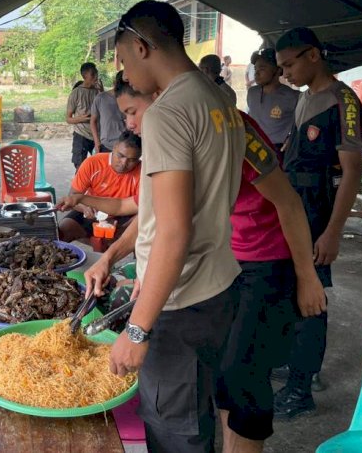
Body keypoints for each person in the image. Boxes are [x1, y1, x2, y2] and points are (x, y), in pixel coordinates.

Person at [74, 78, 326, 452]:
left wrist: (307, 276)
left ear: (160, 97)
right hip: (222, 262)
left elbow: (288, 203)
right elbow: (153, 216)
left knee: (243, 382)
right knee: (223, 379)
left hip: (263, 259)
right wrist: (111, 257)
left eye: (131, 112)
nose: (127, 124)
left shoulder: (229, 127)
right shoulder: (164, 140)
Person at [101, 0, 245, 452]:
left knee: (175, 432)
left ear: (142, 46)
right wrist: (115, 254)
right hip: (219, 288)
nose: (124, 72)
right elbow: (176, 209)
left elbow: (174, 231)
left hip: (179, 304)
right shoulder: (218, 98)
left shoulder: (168, 114)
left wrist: (138, 329)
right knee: (198, 414)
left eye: (123, 59)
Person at [273, 27, 362, 420]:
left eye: (289, 64)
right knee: (291, 290)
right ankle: (295, 365)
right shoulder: (306, 98)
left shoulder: (343, 101)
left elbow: (352, 172)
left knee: (312, 299)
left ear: (313, 55)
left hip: (318, 210)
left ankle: (300, 390)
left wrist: (333, 231)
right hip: (294, 206)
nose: (285, 73)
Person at [58, 130, 141, 242]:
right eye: (120, 156)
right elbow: (73, 196)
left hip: (124, 216)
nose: (124, 163)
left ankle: (136, 258)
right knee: (62, 232)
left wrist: (123, 230)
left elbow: (142, 211)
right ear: (114, 147)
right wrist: (85, 208)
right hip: (93, 212)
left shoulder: (143, 172)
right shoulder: (93, 162)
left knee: (142, 235)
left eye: (132, 160)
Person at [246, 48, 299, 152]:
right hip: (253, 148)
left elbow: (301, 125)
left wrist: (291, 139)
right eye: (255, 69)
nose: (256, 73)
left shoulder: (292, 96)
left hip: (278, 150)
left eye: (262, 69)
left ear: (278, 70)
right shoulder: (252, 93)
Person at [66, 62, 99, 169]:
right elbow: (68, 119)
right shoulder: (76, 93)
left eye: (96, 73)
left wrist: (102, 91)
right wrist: (82, 118)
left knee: (100, 167)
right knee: (80, 168)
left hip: (97, 135)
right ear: (85, 76)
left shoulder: (98, 91)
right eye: (93, 74)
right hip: (81, 135)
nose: (96, 76)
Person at [90, 71, 127, 152]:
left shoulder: (128, 99)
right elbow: (93, 121)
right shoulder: (101, 98)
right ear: (114, 83)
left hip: (125, 144)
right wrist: (97, 142)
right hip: (106, 145)